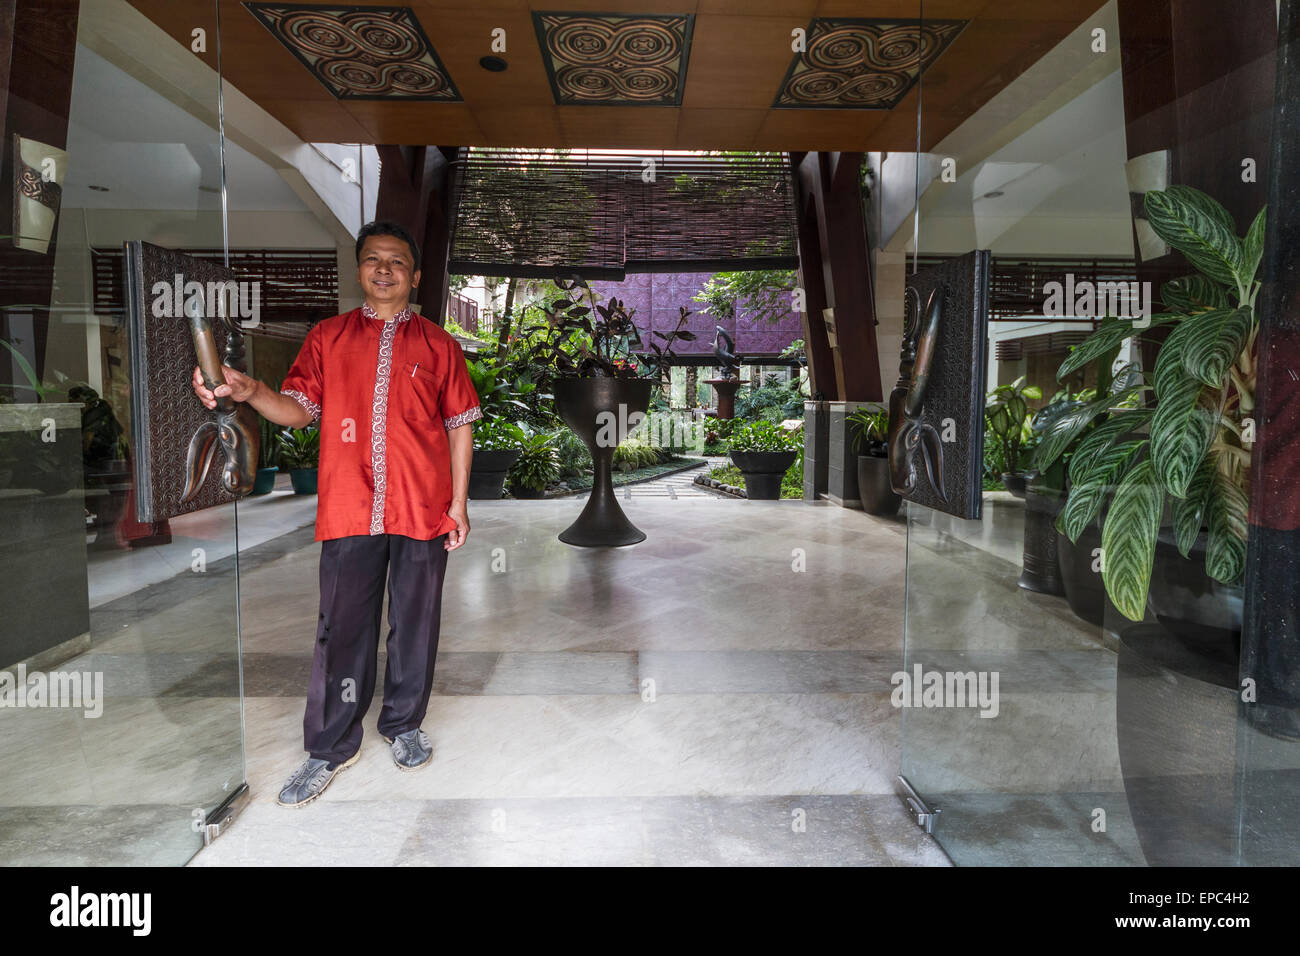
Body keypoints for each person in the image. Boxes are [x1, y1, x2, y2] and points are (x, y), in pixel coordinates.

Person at [191, 221, 481, 808]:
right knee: (340, 628)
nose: (383, 269)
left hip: (422, 507)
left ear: (415, 275)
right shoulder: (327, 337)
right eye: (372, 260)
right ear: (359, 271)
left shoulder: (439, 345)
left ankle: (403, 725)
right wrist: (248, 392)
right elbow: (298, 410)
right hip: (350, 505)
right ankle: (330, 745)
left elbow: (460, 426)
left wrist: (458, 503)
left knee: (416, 623)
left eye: (397, 261)